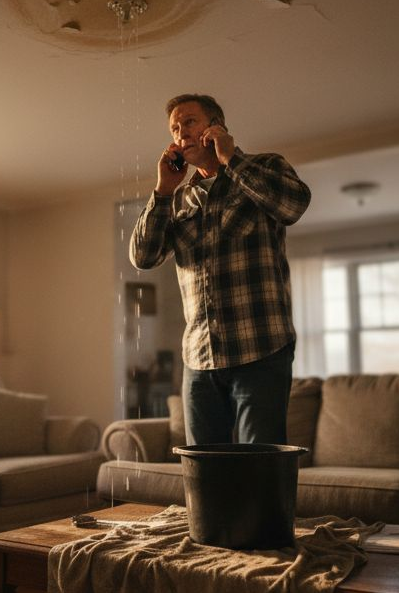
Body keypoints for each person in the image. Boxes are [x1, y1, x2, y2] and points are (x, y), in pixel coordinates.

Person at [130, 94, 310, 447]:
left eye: (190, 122)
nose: (181, 133)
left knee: (261, 467)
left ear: (216, 127)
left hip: (261, 349)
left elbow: (293, 205)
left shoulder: (266, 166)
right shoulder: (179, 199)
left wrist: (232, 159)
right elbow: (143, 257)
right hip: (199, 359)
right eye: (175, 128)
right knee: (203, 473)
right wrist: (164, 190)